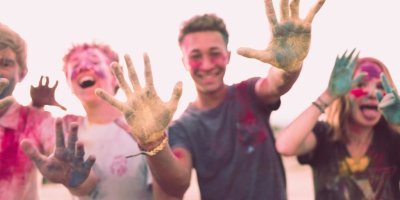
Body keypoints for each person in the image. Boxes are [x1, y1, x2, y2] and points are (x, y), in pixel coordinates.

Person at [95, 0, 325, 199]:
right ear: (184, 62)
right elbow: (178, 182)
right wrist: (152, 143)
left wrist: (292, 65)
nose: (206, 65)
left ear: (227, 56)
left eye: (215, 53)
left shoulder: (249, 93)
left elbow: (277, 82)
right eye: (196, 56)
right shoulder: (184, 127)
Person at [21, 43, 155, 200]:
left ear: (116, 76)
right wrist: (36, 106)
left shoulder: (145, 126)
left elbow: (168, 189)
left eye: (95, 61)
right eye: (75, 64)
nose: (83, 67)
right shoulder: (67, 128)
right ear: (69, 85)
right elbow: (25, 134)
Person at [276, 50, 400, 199]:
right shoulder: (324, 135)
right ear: (344, 94)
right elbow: (285, 145)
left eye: (380, 87)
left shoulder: (393, 141)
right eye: (360, 84)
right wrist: (329, 95)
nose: (372, 93)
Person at [0, 22, 65, 200]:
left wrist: (66, 168)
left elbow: (62, 156)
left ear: (22, 72)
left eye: (5, 63)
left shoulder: (37, 120)